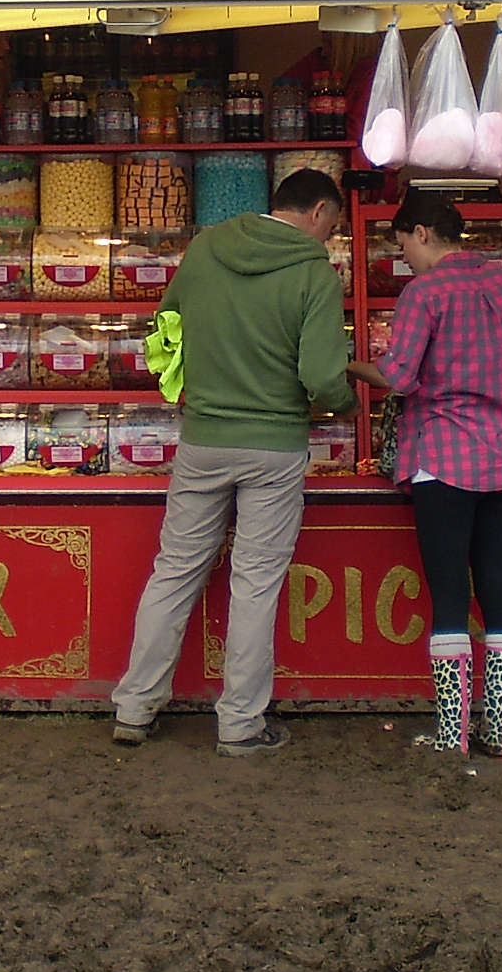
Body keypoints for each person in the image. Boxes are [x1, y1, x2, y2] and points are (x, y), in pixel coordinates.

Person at [111, 168, 356, 757]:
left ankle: (135, 706)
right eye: (333, 226)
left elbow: (166, 328)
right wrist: (345, 401)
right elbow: (322, 377)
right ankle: (241, 723)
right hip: (274, 446)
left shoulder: (205, 249)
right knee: (255, 581)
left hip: (204, 438)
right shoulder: (314, 273)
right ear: (319, 212)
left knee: (175, 570)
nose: (329, 237)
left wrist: (194, 386)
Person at [348, 187, 502, 758]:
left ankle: (452, 736)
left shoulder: (424, 293)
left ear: (422, 233)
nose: (404, 256)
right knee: (497, 587)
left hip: (445, 459)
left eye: (403, 244)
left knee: (451, 594)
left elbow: (398, 376)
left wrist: (348, 365)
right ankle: (498, 732)